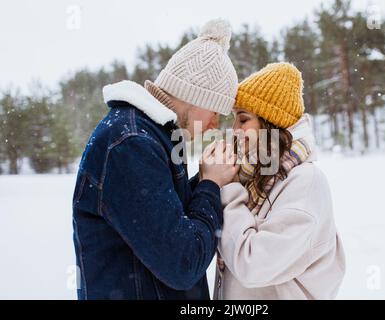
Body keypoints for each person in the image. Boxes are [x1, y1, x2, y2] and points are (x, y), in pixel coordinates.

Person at [72, 19, 239, 300]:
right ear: (195, 96)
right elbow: (183, 262)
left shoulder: (152, 136)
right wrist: (209, 185)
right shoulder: (131, 144)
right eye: (215, 113)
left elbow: (167, 221)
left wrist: (206, 179)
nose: (214, 126)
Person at [215, 62, 346, 300]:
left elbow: (253, 265)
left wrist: (230, 190)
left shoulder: (305, 184)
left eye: (243, 120)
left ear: (270, 122)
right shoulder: (254, 176)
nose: (234, 129)